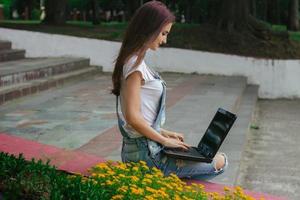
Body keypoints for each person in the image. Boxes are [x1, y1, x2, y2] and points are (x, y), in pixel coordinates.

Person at [112, 1, 227, 180]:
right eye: (163, 33)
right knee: (221, 161)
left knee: (201, 159)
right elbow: (133, 118)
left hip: (141, 151)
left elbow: (141, 116)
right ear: (150, 28)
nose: (164, 40)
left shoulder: (132, 62)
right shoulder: (134, 68)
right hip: (149, 157)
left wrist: (164, 132)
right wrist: (164, 141)